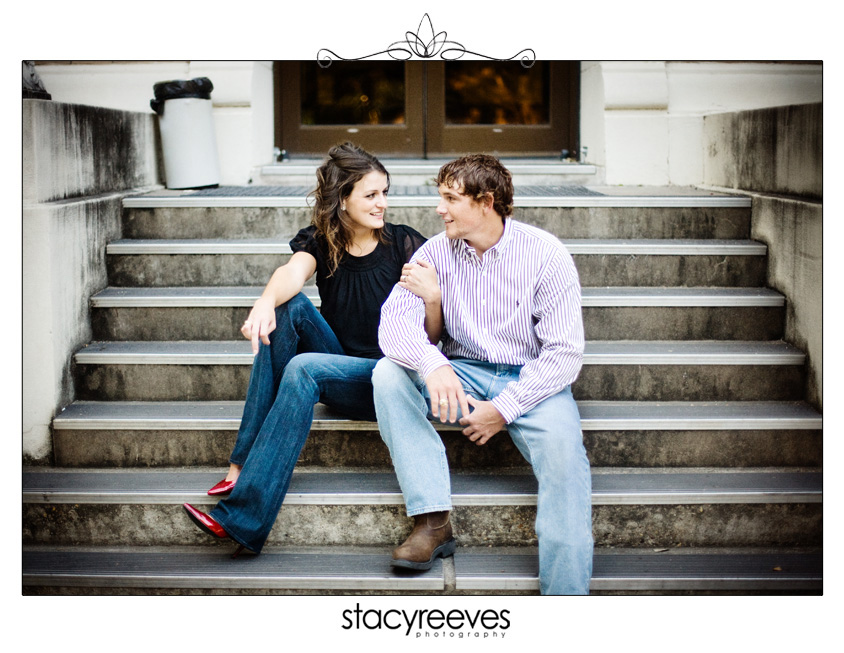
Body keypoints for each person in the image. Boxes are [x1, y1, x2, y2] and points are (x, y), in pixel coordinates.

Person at [182, 142, 443, 556]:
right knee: (290, 305)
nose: (382, 204)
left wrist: (433, 300)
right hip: (339, 368)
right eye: (371, 195)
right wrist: (265, 301)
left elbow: (432, 338)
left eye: (385, 193)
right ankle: (241, 465)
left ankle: (244, 516)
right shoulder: (322, 242)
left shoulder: (405, 245)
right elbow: (292, 273)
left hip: (388, 380)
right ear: (343, 200)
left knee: (303, 368)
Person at [372, 154, 593, 595]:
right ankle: (434, 522)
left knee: (565, 457)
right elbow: (392, 325)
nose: (440, 209)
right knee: (387, 375)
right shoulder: (433, 252)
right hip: (463, 372)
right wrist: (433, 363)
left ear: (486, 202)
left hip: (532, 382)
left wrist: (504, 408)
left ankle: (567, 601)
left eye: (451, 199)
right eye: (441, 197)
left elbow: (565, 354)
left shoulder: (545, 254)